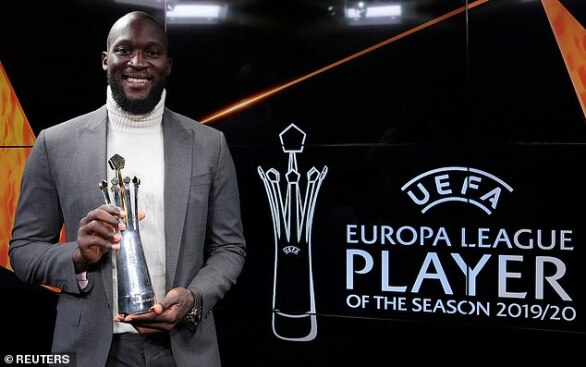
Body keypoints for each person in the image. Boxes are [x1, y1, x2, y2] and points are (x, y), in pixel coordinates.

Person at [9, 10, 246, 367]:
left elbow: (229, 247)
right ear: (106, 60)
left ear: (168, 64)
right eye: (124, 50)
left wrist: (193, 299)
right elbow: (23, 251)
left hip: (183, 349)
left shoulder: (209, 144)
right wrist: (78, 255)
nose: (137, 62)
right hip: (89, 351)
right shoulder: (55, 143)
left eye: (151, 52)